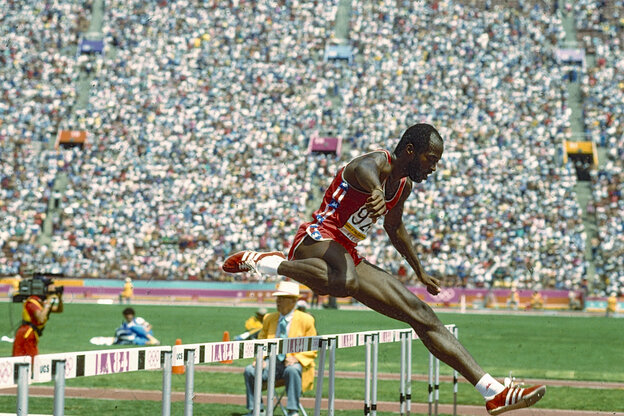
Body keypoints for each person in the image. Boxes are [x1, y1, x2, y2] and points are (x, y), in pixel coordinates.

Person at [224, 124, 546, 415]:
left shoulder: (403, 186)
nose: (433, 168)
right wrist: (376, 190)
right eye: (430, 159)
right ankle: (272, 263)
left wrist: (419, 270)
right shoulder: (379, 161)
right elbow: (361, 168)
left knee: (419, 313)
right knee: (345, 279)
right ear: (410, 151)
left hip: (346, 252)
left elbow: (395, 228)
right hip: (316, 240)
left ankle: (493, 391)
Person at [243, 281, 317, 416]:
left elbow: (313, 347)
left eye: (282, 298)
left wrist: (297, 358)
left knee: (292, 370)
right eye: (278, 298)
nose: (278, 301)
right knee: (250, 370)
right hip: (272, 364)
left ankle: (292, 411)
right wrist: (260, 359)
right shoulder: (269, 318)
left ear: (293, 301)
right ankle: (256, 410)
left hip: (293, 364)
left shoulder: (306, 320)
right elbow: (261, 343)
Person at [12, 277, 64, 363]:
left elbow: (59, 310)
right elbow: (40, 318)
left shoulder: (41, 302)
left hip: (31, 334)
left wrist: (60, 298)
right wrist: (48, 303)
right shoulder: (32, 301)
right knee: (26, 361)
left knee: (30, 361)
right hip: (26, 334)